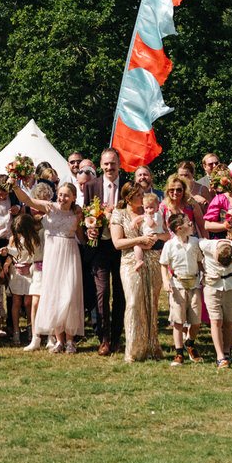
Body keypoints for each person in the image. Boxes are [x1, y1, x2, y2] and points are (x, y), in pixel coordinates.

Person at [26, 181, 83, 353]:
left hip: (70, 254)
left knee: (70, 294)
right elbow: (28, 201)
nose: (62, 198)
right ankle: (59, 340)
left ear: (73, 197)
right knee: (55, 294)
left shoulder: (77, 213)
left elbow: (81, 237)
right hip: (52, 256)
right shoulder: (49, 207)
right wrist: (13, 185)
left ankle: (70, 340)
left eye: (66, 195)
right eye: (60, 194)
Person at [84, 148, 128, 356]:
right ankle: (104, 338)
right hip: (100, 247)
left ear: (119, 164)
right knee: (102, 293)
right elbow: (86, 214)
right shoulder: (91, 186)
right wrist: (89, 228)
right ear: (101, 165)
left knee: (120, 293)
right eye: (106, 164)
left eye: (113, 163)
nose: (110, 167)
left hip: (122, 247)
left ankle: (117, 337)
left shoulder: (127, 186)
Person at [112, 188, 163, 362]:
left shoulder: (150, 210)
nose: (143, 197)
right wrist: (139, 240)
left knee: (151, 303)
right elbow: (117, 243)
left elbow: (165, 233)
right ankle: (133, 350)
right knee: (133, 302)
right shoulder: (119, 214)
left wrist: (156, 237)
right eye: (138, 195)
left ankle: (152, 347)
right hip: (130, 262)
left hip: (153, 259)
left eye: (142, 195)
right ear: (128, 198)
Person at [159, 213, 202, 364]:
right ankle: (179, 354)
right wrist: (166, 280)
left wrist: (205, 275)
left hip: (194, 285)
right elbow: (164, 264)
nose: (191, 224)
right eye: (188, 223)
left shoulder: (195, 242)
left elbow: (200, 262)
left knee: (196, 321)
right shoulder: (170, 245)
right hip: (177, 286)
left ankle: (189, 343)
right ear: (179, 228)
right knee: (178, 321)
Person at [199, 235, 232, 369]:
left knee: (229, 320)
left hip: (229, 286)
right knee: (216, 320)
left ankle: (227, 350)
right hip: (212, 286)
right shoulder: (206, 245)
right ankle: (220, 356)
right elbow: (197, 241)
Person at [3, 209, 42, 347]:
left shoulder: (35, 239)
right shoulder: (14, 239)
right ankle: (16, 330)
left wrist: (10, 251)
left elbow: (27, 252)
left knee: (28, 302)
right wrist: (7, 260)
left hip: (30, 272)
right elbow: (14, 254)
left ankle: (31, 328)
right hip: (17, 273)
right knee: (16, 301)